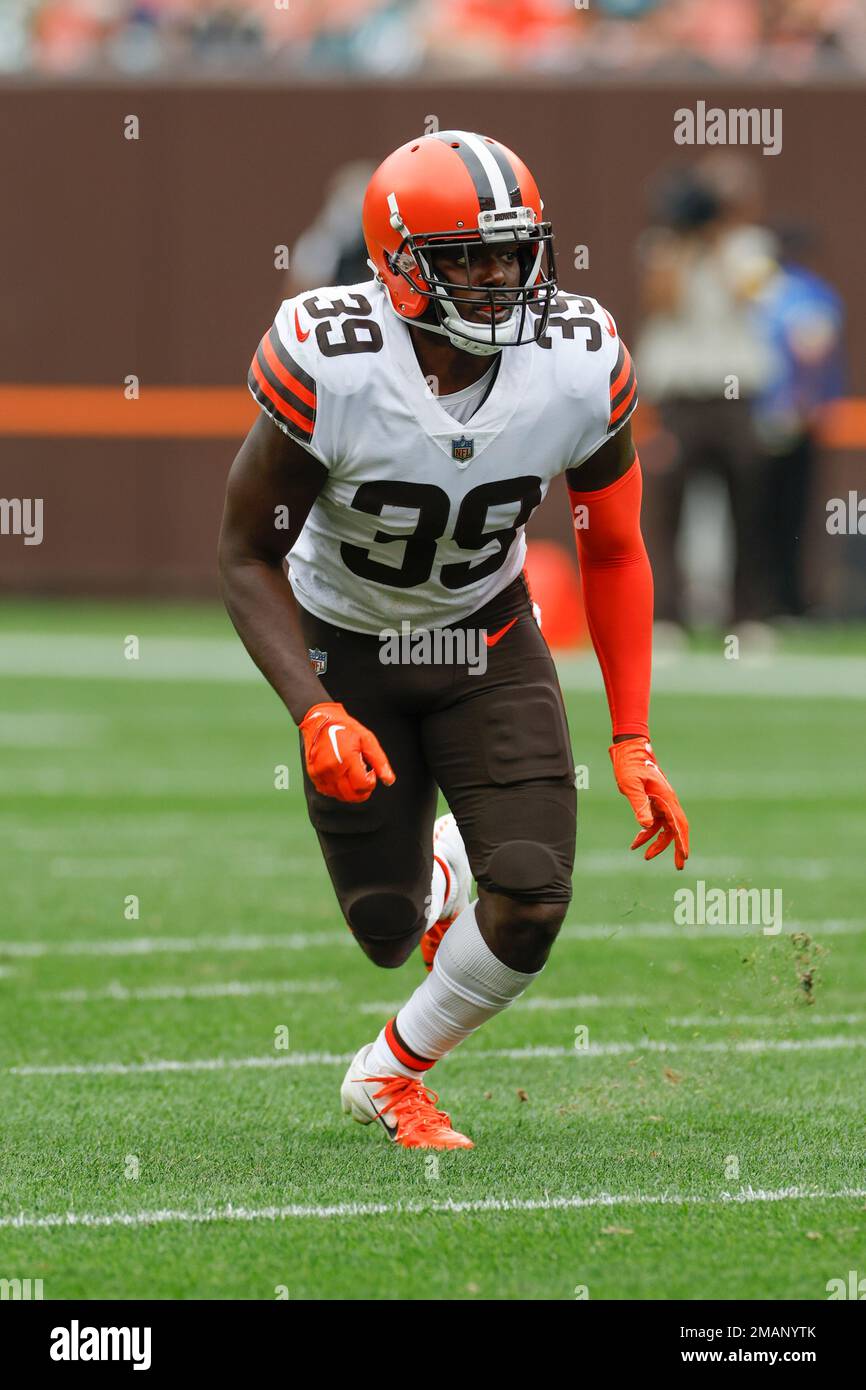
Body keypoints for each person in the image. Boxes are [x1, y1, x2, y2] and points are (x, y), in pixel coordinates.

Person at [219, 131, 689, 1150]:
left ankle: (390, 1072)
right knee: (386, 931)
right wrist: (313, 710)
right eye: (464, 257)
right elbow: (243, 554)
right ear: (394, 265)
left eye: (509, 253)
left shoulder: (575, 358)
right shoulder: (331, 360)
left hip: (485, 633)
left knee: (528, 897)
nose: (495, 279)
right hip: (346, 639)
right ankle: (431, 873)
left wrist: (631, 735)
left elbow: (611, 551)